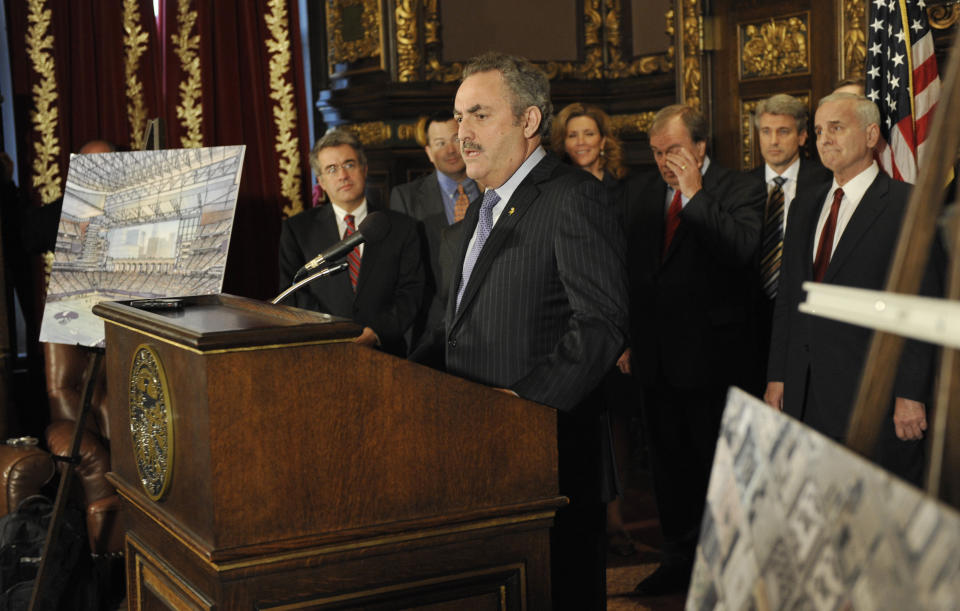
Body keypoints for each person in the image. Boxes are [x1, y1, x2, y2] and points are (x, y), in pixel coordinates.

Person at [412, 52, 628, 610]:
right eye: (459, 118)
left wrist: (521, 407)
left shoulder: (571, 196)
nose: (463, 134)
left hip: (550, 460)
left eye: (479, 115)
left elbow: (601, 325)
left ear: (529, 122)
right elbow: (448, 331)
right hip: (474, 460)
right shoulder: (470, 220)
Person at [765, 92, 942, 485]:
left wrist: (910, 394)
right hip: (806, 394)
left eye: (837, 128)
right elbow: (790, 300)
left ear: (870, 135)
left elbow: (921, 307)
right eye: (818, 130)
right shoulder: (804, 205)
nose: (824, 138)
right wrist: (778, 376)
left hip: (873, 399)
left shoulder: (906, 205)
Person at [625, 104, 765, 595]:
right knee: (668, 470)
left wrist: (694, 196)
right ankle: (678, 560)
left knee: (715, 468)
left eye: (675, 150)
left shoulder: (741, 188)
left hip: (714, 360)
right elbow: (633, 274)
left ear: (701, 148)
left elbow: (742, 253)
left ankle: (726, 569)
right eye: (658, 152)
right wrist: (626, 339)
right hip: (655, 357)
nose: (665, 161)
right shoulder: (640, 192)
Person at [552, 101, 638, 557]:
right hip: (571, 330)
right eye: (572, 135)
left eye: (589, 133)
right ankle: (587, 523)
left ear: (604, 139)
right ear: (561, 143)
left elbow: (630, 268)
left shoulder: (627, 191)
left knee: (618, 427)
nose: (581, 142)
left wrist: (622, 338)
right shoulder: (557, 191)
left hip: (616, 330)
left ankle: (617, 521)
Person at [279, 130, 425, 357]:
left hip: (385, 352)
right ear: (322, 182)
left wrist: (377, 332)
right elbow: (293, 291)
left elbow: (411, 291)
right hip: (320, 353)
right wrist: (330, 333)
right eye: (332, 169)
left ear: (364, 170)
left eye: (349, 165)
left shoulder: (402, 227)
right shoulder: (298, 230)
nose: (343, 176)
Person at [749, 94, 831, 391]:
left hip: (806, 318)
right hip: (751, 323)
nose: (773, 141)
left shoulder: (826, 182)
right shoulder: (738, 186)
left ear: (802, 136)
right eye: (765, 131)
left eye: (783, 132)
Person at [390, 111, 480, 345]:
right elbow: (404, 272)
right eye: (440, 143)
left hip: (490, 318)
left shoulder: (493, 187)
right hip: (432, 325)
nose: (450, 150)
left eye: (455, 139)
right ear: (429, 152)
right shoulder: (406, 197)